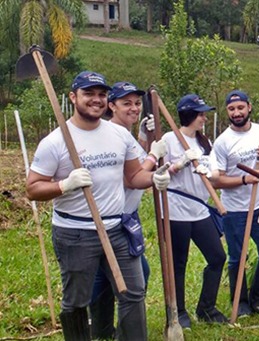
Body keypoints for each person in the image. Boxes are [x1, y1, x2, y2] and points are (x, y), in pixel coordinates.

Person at [27, 71, 170, 340]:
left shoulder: (119, 135)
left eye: (101, 94)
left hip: (117, 228)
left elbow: (133, 177)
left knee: (134, 291)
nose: (96, 100)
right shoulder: (56, 141)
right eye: (88, 94)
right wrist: (63, 185)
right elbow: (32, 188)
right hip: (76, 232)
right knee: (77, 301)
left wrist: (154, 178)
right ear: (73, 97)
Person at [88, 81, 163, 338]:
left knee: (110, 277)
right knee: (128, 276)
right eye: (126, 103)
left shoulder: (125, 133)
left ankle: (103, 328)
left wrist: (143, 137)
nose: (134, 108)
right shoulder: (109, 134)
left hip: (128, 216)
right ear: (111, 106)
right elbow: (129, 176)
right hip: (112, 217)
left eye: (137, 103)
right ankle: (105, 329)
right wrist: (154, 157)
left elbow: (135, 160)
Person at [211, 90, 259, 317]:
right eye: (231, 109)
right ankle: (240, 302)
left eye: (240, 107)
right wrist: (244, 179)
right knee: (237, 258)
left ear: (249, 107)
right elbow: (217, 180)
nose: (236, 112)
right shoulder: (222, 142)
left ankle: (258, 297)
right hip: (234, 210)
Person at [163, 94, 227, 327]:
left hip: (200, 211)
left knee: (217, 257)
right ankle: (179, 312)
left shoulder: (204, 142)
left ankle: (206, 308)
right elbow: (159, 173)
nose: (204, 118)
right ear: (189, 115)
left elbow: (216, 173)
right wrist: (181, 162)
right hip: (176, 210)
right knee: (178, 263)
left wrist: (210, 174)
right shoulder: (170, 139)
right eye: (201, 114)